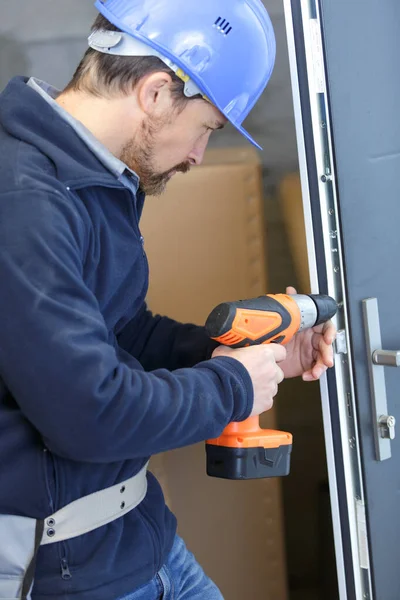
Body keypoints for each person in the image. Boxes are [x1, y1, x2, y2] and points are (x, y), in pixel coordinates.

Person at [0, 1, 336, 599]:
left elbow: (123, 333)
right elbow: (91, 413)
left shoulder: (92, 178)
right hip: (67, 575)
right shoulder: (25, 200)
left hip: (136, 535)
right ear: (157, 93)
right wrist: (233, 385)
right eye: (206, 128)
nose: (197, 156)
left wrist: (248, 351)